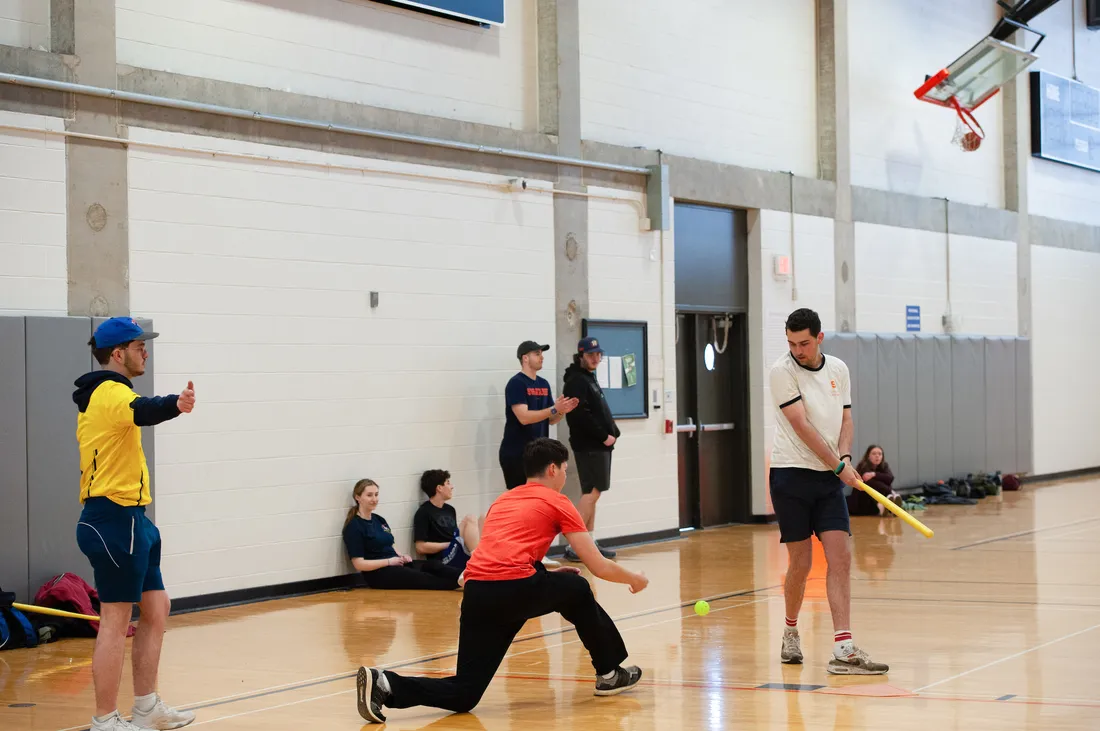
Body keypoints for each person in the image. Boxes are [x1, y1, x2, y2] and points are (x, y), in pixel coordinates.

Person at [355, 438, 648, 724]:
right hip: (514, 588)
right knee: (579, 587)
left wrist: (543, 575)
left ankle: (386, 685)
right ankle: (610, 674)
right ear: (552, 470)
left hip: (477, 591)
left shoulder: (503, 501)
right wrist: (632, 578)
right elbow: (596, 564)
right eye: (565, 470)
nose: (565, 475)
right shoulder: (558, 502)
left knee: (465, 694)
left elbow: (500, 555)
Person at [73, 316, 197, 731]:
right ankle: (105, 719)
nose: (145, 351)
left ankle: (145, 707)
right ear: (116, 353)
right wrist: (173, 405)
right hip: (111, 517)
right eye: (138, 345)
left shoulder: (113, 393)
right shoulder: (109, 391)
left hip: (134, 517)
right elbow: (142, 410)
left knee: (157, 608)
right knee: (115, 618)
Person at [768, 308, 888, 675]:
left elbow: (845, 420)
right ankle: (790, 631)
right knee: (801, 564)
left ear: (819, 338)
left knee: (841, 558)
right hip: (790, 476)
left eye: (803, 343)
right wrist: (839, 466)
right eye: (791, 342)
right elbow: (802, 426)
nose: (797, 350)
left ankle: (844, 648)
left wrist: (846, 457)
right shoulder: (781, 372)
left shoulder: (838, 369)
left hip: (828, 479)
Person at [343, 479, 462, 591]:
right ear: (357, 497)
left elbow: (390, 544)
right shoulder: (354, 526)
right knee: (425, 578)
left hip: (395, 564)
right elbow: (359, 564)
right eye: (369, 495)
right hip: (378, 573)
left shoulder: (379, 520)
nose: (374, 499)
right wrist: (389, 562)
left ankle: (470, 575)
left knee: (434, 566)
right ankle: (466, 584)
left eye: (376, 494)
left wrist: (401, 556)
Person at [562, 337, 621, 561]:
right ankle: (576, 544)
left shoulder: (588, 379)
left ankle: (588, 543)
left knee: (592, 493)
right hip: (590, 445)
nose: (595, 358)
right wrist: (603, 436)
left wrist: (613, 431)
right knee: (593, 492)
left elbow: (599, 410)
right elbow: (579, 416)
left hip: (598, 444)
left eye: (598, 355)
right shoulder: (577, 381)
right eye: (590, 355)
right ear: (581, 357)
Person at [499, 340, 578, 490]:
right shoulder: (516, 383)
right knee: (521, 500)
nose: (541, 357)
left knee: (539, 497)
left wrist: (562, 410)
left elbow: (551, 419)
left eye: (542, 354)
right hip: (517, 453)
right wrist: (554, 409)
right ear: (525, 358)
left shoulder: (544, 384)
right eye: (537, 354)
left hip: (538, 454)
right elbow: (524, 418)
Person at [414, 469, 481, 571]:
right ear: (439, 488)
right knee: (470, 518)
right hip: (443, 558)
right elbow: (420, 547)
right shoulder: (423, 512)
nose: (452, 487)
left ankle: (482, 559)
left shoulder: (450, 509)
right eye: (448, 483)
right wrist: (450, 544)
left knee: (483, 518)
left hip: (455, 549)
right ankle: (479, 562)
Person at [848, 445, 902, 517]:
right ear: (868, 456)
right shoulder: (863, 466)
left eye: (880, 454)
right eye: (874, 454)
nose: (877, 456)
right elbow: (867, 483)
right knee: (869, 483)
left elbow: (890, 478)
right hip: (862, 504)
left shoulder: (884, 465)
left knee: (884, 481)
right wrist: (890, 490)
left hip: (875, 503)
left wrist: (874, 474)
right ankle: (889, 501)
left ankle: (889, 506)